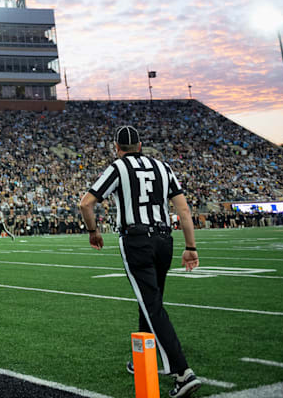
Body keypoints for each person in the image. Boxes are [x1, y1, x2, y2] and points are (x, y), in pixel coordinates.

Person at [79, 126, 201, 398]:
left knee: (152, 305)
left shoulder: (118, 167)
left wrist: (93, 231)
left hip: (136, 239)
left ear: (117, 147)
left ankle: (183, 372)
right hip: (164, 239)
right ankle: (140, 359)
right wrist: (190, 246)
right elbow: (182, 209)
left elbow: (86, 203)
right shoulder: (162, 167)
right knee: (150, 300)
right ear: (141, 144)